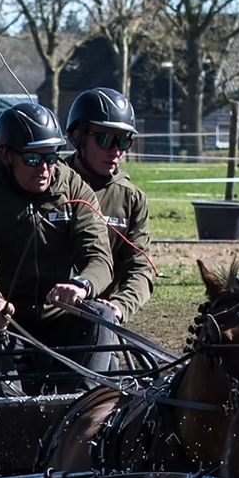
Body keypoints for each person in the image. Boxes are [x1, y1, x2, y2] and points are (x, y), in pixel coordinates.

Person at [0, 101, 116, 394]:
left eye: (51, 157)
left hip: (61, 319)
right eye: (32, 159)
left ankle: (85, 408)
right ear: (5, 155)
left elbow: (99, 257)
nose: (45, 168)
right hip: (6, 321)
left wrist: (81, 286)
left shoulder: (74, 188)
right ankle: (10, 412)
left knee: (100, 315)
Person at [62, 87, 154, 325]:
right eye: (105, 139)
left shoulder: (131, 199)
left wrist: (120, 306)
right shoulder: (50, 185)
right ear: (77, 137)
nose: (116, 150)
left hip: (98, 319)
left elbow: (140, 270)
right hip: (44, 313)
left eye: (124, 141)